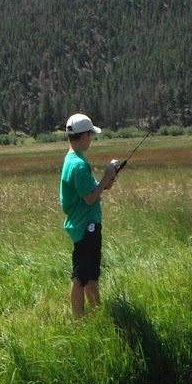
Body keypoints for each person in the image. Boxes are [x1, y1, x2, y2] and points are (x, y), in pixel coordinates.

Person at [60, 112, 119, 318]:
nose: (92, 139)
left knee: (91, 276)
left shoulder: (73, 160)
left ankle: (96, 315)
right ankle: (80, 322)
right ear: (83, 136)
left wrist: (108, 180)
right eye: (91, 135)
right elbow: (90, 198)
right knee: (80, 277)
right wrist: (105, 178)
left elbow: (92, 191)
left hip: (84, 225)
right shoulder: (78, 165)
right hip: (87, 226)